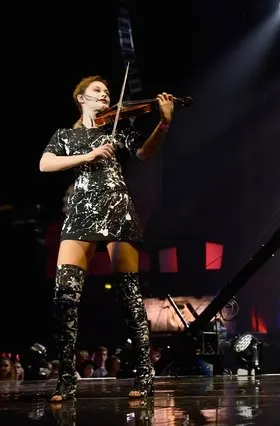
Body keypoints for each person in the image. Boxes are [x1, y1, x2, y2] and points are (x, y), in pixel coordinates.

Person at [39, 75, 175, 401]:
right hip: (81, 212)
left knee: (129, 295)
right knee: (65, 296)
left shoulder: (115, 128)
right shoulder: (67, 135)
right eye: (98, 91)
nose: (106, 95)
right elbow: (45, 164)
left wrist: (164, 123)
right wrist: (88, 155)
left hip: (117, 208)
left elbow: (144, 154)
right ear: (81, 98)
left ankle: (144, 373)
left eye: (107, 92)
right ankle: (67, 380)